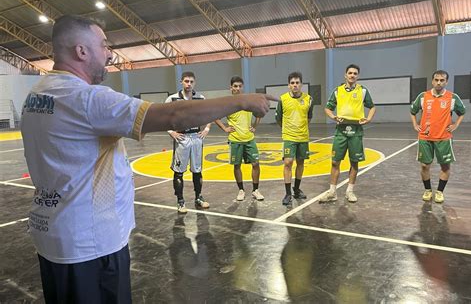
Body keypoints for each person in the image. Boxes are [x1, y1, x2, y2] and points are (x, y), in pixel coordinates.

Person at [20, 15, 274, 303]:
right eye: (103, 45)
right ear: (81, 51)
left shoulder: (38, 94)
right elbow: (173, 115)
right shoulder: (86, 99)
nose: (109, 53)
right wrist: (242, 100)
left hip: (54, 235)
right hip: (90, 245)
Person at [320, 64, 376, 203]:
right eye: (350, 73)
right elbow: (327, 108)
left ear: (358, 76)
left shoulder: (363, 91)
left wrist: (368, 118)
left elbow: (372, 106)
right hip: (341, 131)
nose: (352, 75)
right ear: (345, 75)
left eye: (355, 73)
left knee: (354, 163)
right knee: (335, 162)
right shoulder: (338, 91)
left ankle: (349, 191)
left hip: (356, 131)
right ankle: (332, 192)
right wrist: (333, 117)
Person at [410, 70, 465, 203]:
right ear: (432, 81)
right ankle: (428, 190)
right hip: (425, 137)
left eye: (442, 80)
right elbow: (413, 111)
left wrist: (455, 125)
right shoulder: (423, 96)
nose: (439, 82)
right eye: (436, 80)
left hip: (444, 138)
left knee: (445, 167)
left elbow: (462, 112)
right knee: (424, 166)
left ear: (446, 81)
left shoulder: (452, 97)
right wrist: (415, 124)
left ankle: (439, 192)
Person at [166, 72, 211, 213]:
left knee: (197, 170)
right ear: (181, 82)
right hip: (182, 138)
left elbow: (210, 114)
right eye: (186, 81)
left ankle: (198, 197)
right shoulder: (172, 99)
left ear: (194, 83)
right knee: (179, 172)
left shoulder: (201, 98)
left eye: (191, 81)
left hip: (196, 138)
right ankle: (180, 201)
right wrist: (171, 132)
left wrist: (207, 128)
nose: (189, 84)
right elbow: (162, 117)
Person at [215, 76, 264, 201]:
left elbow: (259, 112)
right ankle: (241, 190)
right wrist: (225, 128)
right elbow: (215, 116)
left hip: (249, 139)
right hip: (235, 139)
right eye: (235, 86)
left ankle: (255, 190)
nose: (237, 88)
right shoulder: (227, 103)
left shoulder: (248, 101)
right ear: (231, 87)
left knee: (256, 164)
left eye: (239, 86)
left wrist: (255, 125)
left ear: (242, 87)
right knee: (237, 165)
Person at [275, 71, 313, 206]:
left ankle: (296, 189)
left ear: (301, 84)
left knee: (301, 163)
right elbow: (278, 119)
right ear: (288, 85)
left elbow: (309, 117)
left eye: (297, 83)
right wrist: (287, 130)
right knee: (288, 163)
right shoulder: (283, 99)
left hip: (303, 137)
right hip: (289, 137)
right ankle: (287, 193)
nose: (295, 85)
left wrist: (301, 128)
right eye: (292, 83)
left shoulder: (308, 99)